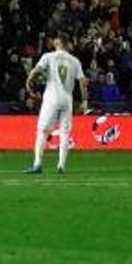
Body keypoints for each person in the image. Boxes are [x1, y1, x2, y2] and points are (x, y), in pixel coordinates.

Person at [23, 36, 87, 174]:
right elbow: (82, 82)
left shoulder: (49, 56)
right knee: (64, 132)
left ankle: (37, 164)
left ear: (57, 43)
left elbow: (37, 70)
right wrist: (84, 101)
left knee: (42, 130)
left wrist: (28, 80)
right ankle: (61, 166)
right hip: (67, 100)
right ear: (67, 45)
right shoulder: (75, 61)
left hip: (52, 98)